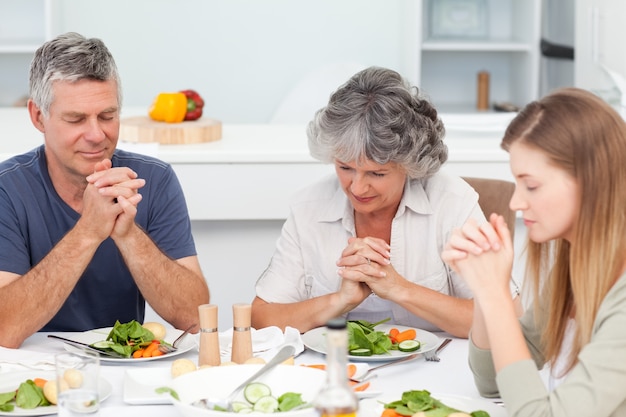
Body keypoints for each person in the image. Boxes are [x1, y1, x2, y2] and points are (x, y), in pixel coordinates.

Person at [0, 32, 209, 348]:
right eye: (76, 119)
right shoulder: (8, 188)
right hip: (31, 370)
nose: (97, 135)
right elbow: (5, 330)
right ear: (38, 116)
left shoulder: (154, 178)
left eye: (107, 116)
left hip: (123, 366)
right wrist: (88, 231)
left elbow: (195, 317)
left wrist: (128, 235)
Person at [251, 66, 487, 338]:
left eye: (377, 173)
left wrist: (400, 289)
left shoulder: (452, 202)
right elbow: (261, 318)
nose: (357, 187)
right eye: (345, 168)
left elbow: (500, 319)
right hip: (335, 372)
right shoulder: (309, 207)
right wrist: (340, 300)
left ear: (411, 165)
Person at [442, 87, 626, 416]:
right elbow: (493, 381)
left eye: (532, 185)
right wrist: (486, 292)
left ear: (590, 180)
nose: (516, 202)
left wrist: (496, 294)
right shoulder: (577, 264)